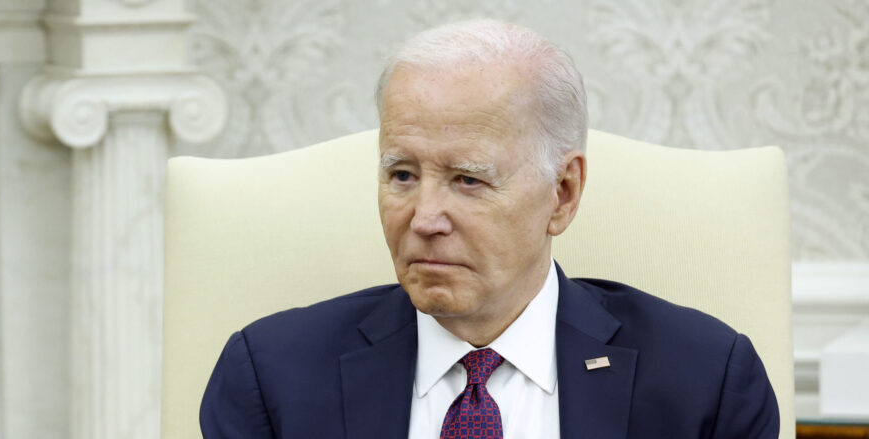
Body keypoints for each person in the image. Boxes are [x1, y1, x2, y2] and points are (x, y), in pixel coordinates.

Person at [200, 19, 779, 439]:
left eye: (468, 180)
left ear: (563, 193)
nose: (424, 219)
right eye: (402, 175)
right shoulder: (270, 378)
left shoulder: (706, 381)